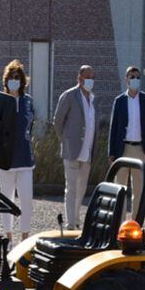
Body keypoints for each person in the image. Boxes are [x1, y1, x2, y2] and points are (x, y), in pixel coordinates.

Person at [0, 59, 35, 242]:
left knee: (27, 199)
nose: (14, 81)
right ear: (6, 80)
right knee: (6, 199)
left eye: (17, 77)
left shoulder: (28, 102)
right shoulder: (0, 101)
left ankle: (24, 237)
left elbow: (30, 127)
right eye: (11, 77)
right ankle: (8, 238)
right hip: (5, 160)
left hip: (25, 159)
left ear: (23, 81)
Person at [53, 64, 98, 230]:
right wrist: (65, 140)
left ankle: (77, 219)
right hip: (72, 150)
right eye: (88, 77)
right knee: (71, 188)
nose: (91, 81)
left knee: (81, 189)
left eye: (93, 78)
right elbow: (58, 121)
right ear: (79, 78)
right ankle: (70, 223)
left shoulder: (93, 99)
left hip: (87, 151)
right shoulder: (69, 96)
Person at [107, 65, 145, 218]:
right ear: (126, 79)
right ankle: (119, 224)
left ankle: (135, 224)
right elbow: (113, 127)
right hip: (123, 149)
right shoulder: (119, 101)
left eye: (137, 77)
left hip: (140, 149)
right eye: (132, 77)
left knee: (138, 190)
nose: (135, 80)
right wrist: (111, 152)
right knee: (120, 188)